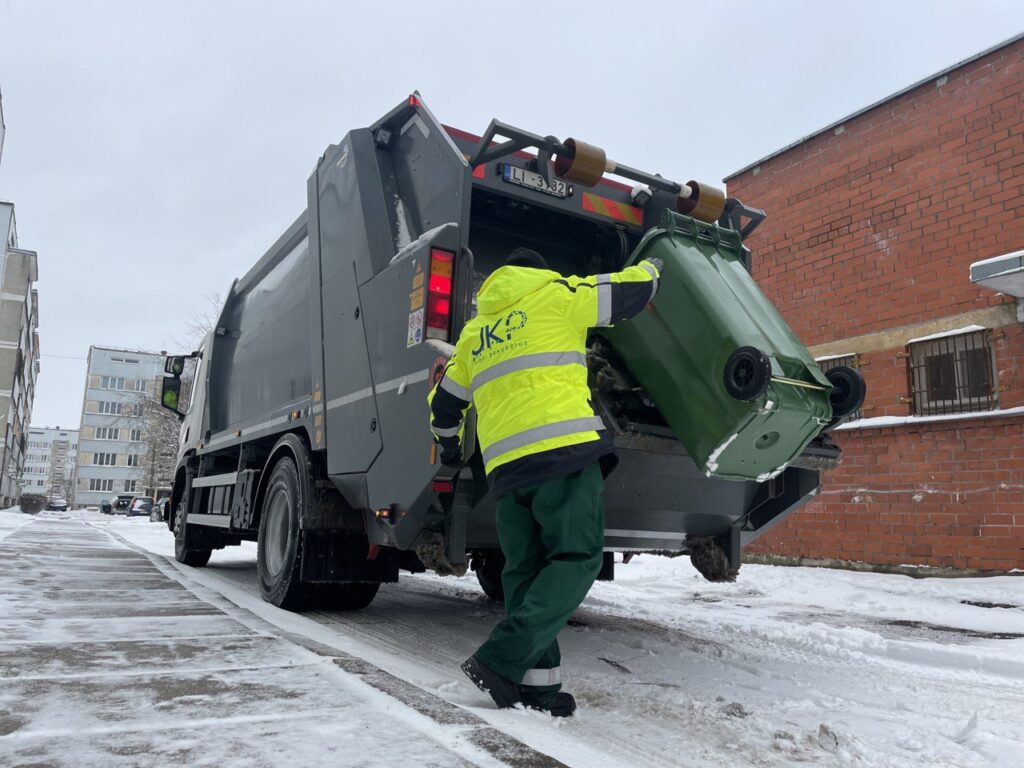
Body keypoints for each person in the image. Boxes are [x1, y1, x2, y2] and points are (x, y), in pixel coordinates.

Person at [427, 246, 662, 717]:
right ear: (539, 272)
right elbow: (629, 292)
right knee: (576, 559)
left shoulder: (475, 335)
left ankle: (537, 689)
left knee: (526, 573)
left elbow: (444, 408)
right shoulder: (558, 295)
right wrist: (655, 267)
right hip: (565, 455)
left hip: (508, 474)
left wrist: (452, 450)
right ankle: (500, 658)